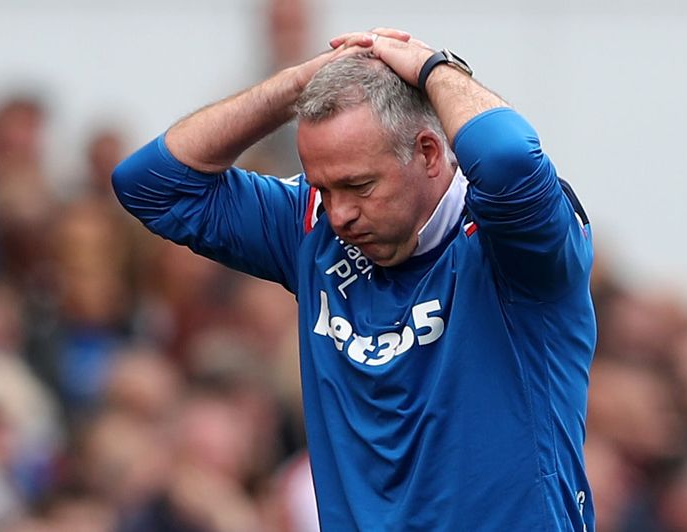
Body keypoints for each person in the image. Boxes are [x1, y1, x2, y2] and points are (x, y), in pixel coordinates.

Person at [113, 28, 597, 530]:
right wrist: (295, 85)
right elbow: (150, 184)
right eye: (323, 186)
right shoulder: (312, 226)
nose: (340, 213)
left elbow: (509, 158)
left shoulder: (516, 241)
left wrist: (433, 69)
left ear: (430, 153)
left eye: (358, 185)